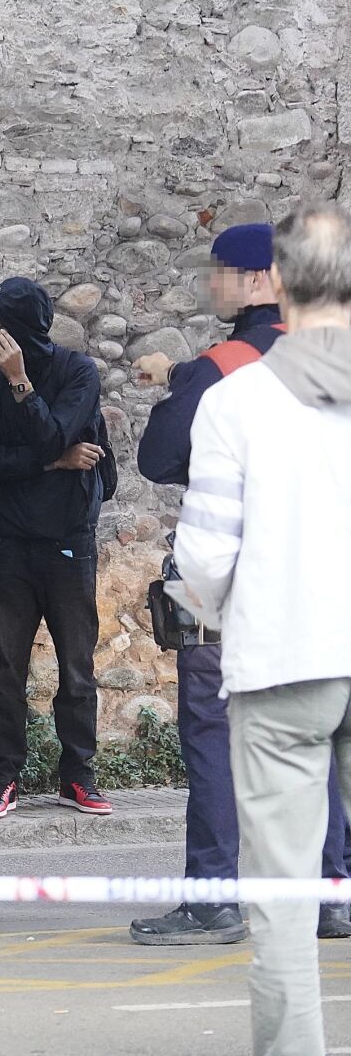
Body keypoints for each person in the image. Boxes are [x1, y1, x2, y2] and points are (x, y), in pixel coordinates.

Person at [128, 223, 351, 946]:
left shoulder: (223, 368)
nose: (211, 284)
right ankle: (333, 892)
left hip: (240, 593)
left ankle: (214, 893)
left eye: (220, 271)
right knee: (321, 743)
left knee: (214, 737)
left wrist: (178, 382)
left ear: (260, 280)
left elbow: (159, 460)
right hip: (328, 591)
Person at [175, 201, 351, 1055]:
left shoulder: (234, 399)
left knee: (282, 899)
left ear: (277, 284)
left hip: (282, 662)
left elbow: (205, 558)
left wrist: (225, 612)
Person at [0, 277, 113, 820]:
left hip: (70, 543)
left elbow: (52, 434)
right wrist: (52, 462)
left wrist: (22, 384)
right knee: (5, 668)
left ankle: (78, 777)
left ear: (20, 328)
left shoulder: (77, 373)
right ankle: (1, 779)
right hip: (14, 545)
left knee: (76, 667)